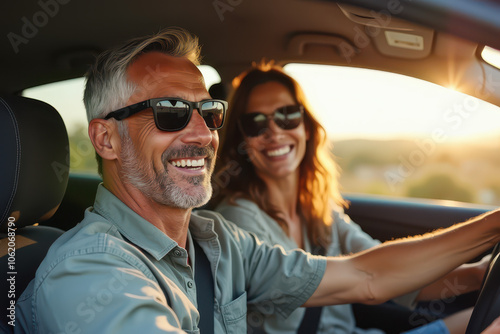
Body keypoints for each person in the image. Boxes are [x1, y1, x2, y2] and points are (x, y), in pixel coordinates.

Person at [13, 27, 500, 334]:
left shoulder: (218, 241)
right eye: (169, 113)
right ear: (106, 140)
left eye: (209, 111)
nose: (203, 133)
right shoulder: (89, 272)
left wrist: (493, 226)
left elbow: (366, 277)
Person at [212, 62, 488, 334]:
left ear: (306, 127)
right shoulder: (237, 221)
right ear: (242, 139)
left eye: (287, 116)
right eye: (255, 122)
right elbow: (374, 277)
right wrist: (493, 225)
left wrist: (479, 274)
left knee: (486, 320)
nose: (274, 132)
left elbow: (396, 272)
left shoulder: (320, 208)